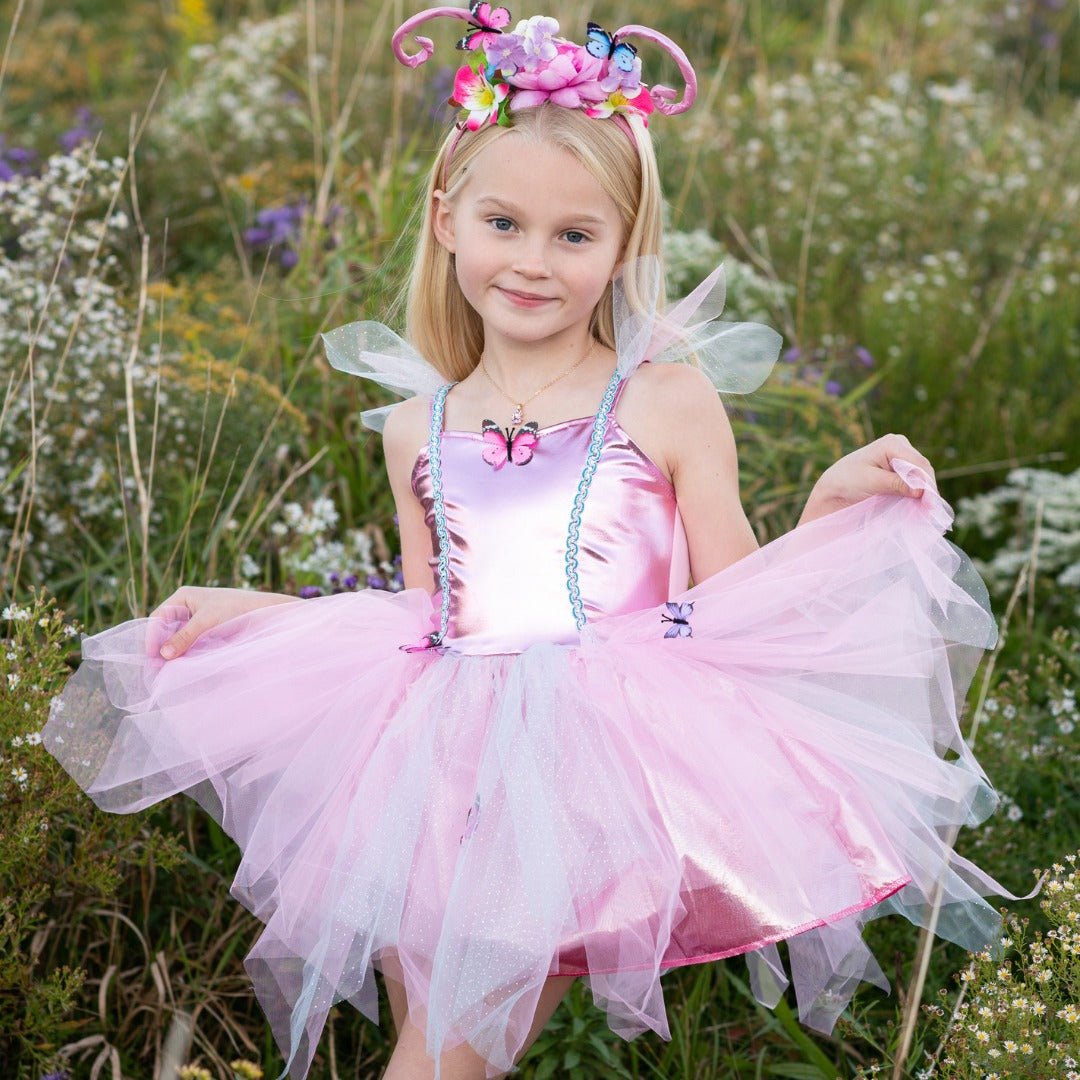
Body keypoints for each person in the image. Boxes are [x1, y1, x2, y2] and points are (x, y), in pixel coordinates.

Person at [43, 8, 1027, 1080]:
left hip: (586, 781)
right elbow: (428, 620)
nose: (532, 261)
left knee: (440, 1059)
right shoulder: (418, 427)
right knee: (439, 1048)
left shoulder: (663, 400)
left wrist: (831, 502)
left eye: (574, 236)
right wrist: (260, 615)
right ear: (446, 219)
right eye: (504, 223)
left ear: (623, 248)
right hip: (434, 774)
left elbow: (741, 604)